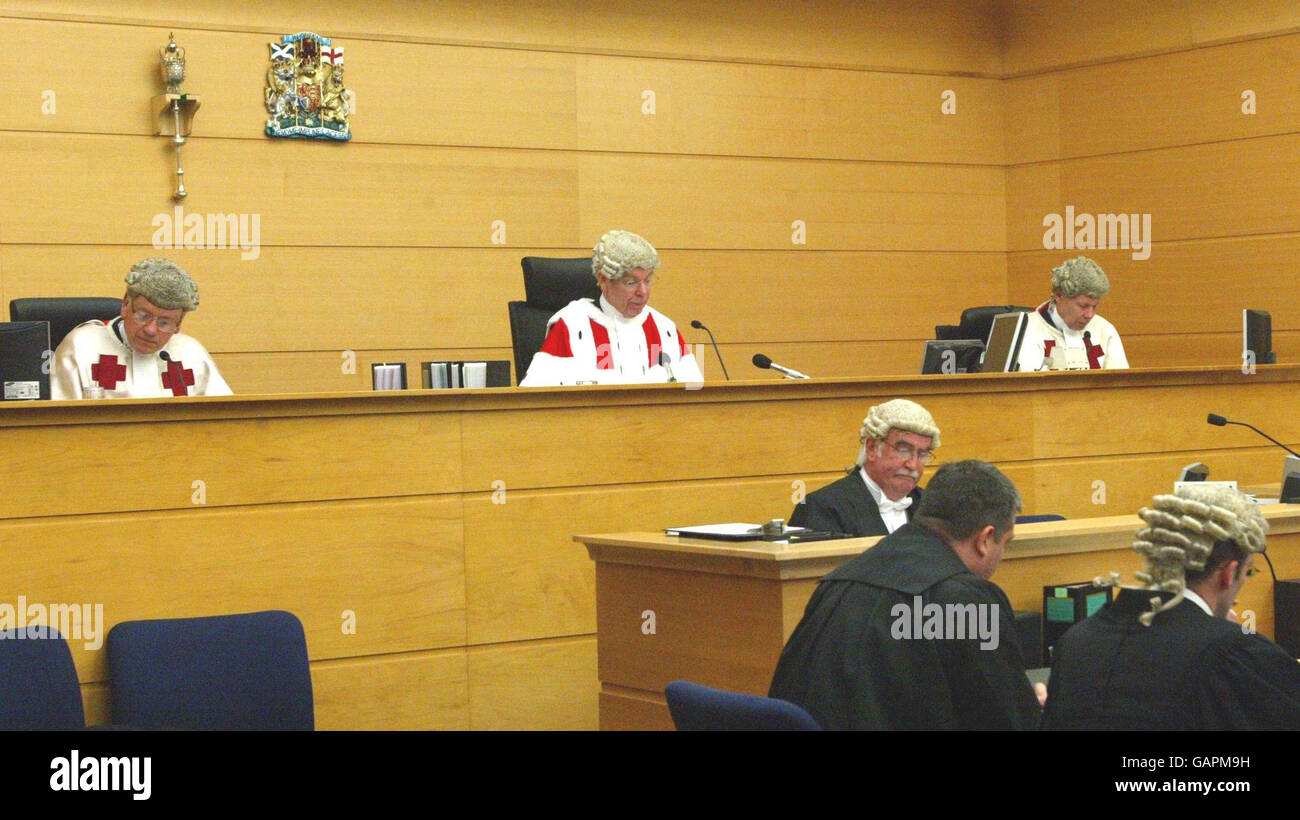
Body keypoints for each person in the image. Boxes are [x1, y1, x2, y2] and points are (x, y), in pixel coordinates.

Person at [769, 460, 1041, 730]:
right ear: (985, 539)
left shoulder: (838, 582)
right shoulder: (966, 600)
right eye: (1005, 544)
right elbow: (1007, 720)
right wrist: (1031, 703)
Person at [1042, 484, 1300, 729]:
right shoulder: (1235, 654)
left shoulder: (1076, 641)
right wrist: (1229, 638)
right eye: (1249, 572)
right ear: (1229, 573)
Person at [519, 230, 703, 386]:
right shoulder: (573, 326)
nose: (643, 292)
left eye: (647, 281)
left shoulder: (665, 329)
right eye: (631, 283)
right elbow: (536, 400)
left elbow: (694, 393)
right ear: (603, 280)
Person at [51, 258, 232, 399]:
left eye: (164, 323)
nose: (151, 330)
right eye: (143, 316)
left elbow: (225, 423)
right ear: (125, 304)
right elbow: (59, 424)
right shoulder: (82, 346)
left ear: (178, 325)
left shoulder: (190, 353)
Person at [789, 399, 938, 536]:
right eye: (903, 450)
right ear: (872, 448)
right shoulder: (823, 507)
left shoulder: (934, 508)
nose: (912, 465)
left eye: (922, 454)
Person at [1017, 255, 1128, 371]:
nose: (1090, 315)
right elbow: (1028, 385)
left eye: (1094, 306)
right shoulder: (1028, 330)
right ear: (1059, 295)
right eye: (1083, 306)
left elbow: (1121, 384)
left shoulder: (1105, 330)